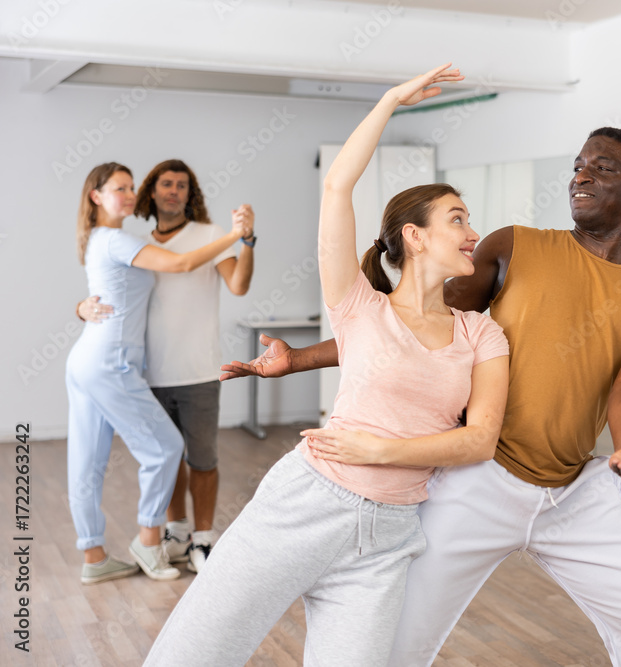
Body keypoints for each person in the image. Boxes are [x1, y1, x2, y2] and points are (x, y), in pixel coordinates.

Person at [222, 129, 621, 664]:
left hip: (574, 493)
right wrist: (299, 359)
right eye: (578, 165)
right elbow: (421, 328)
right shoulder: (515, 245)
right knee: (396, 639)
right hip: (479, 477)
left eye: (603, 168)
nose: (581, 176)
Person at [144, 65, 510, 667]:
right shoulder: (357, 305)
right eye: (458, 220)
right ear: (414, 237)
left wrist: (381, 452)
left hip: (389, 537)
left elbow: (479, 441)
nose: (474, 233)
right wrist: (391, 99)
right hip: (308, 502)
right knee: (195, 654)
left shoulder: (481, 332)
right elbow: (338, 188)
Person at [67, 163, 248, 585]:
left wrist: (80, 308)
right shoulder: (115, 238)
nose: (128, 194)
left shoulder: (101, 238)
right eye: (119, 188)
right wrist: (234, 236)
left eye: (131, 187)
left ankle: (94, 556)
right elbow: (183, 264)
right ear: (96, 196)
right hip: (111, 361)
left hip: (89, 360)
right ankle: (149, 542)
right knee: (166, 447)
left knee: (87, 464)